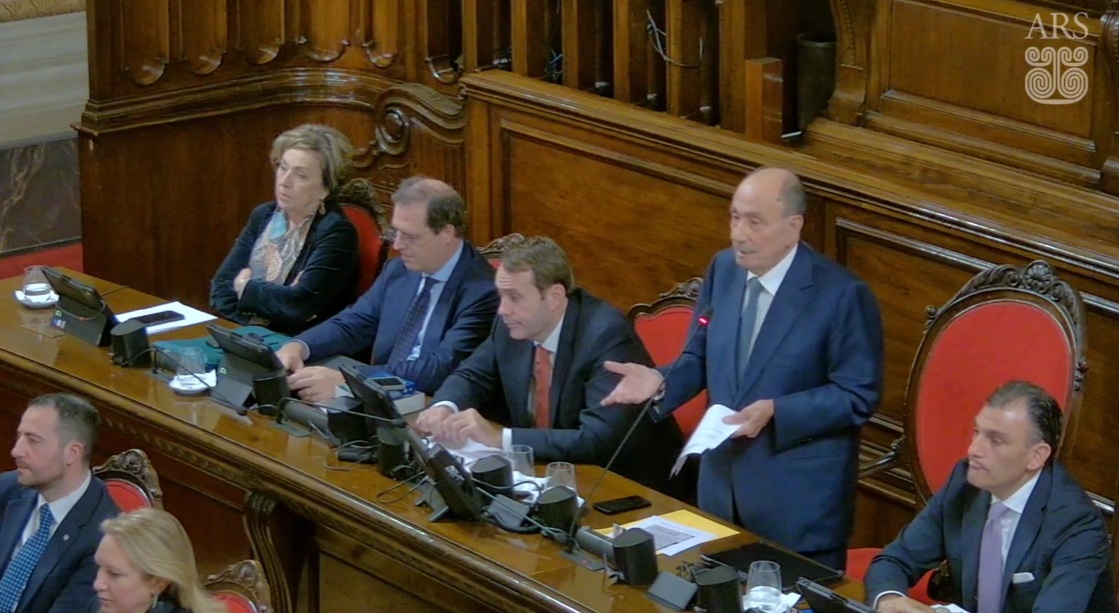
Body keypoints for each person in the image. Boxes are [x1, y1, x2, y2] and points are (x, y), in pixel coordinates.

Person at [601, 167, 884, 569]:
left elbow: (857, 395)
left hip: (795, 508)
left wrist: (777, 411)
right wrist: (661, 380)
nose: (739, 234)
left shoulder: (841, 295)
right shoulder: (724, 269)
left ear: (793, 227)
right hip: (720, 495)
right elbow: (699, 356)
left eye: (754, 222)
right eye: (735, 218)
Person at [416, 236, 684, 492]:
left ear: (554, 296)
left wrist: (501, 438)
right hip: (548, 473)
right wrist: (445, 407)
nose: (502, 309)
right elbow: (473, 374)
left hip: (627, 486)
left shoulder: (605, 335)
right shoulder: (513, 325)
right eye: (501, 296)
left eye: (515, 297)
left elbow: (597, 440)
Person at [865, 381, 1115, 613]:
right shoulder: (964, 484)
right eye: (977, 432)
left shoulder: (1076, 525)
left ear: (1036, 456)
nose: (973, 449)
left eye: (995, 441)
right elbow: (894, 561)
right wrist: (890, 601)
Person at [275, 175, 499, 398]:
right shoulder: (398, 270)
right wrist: (300, 346)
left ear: (447, 233)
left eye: (410, 237)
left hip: (432, 405)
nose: (398, 245)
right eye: (396, 232)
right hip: (380, 396)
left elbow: (439, 369)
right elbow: (355, 323)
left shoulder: (483, 292)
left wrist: (349, 381)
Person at [211, 123, 366, 335]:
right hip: (246, 336)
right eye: (283, 168)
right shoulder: (263, 215)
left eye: (300, 175)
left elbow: (299, 307)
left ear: (326, 188)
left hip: (301, 346)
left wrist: (244, 286)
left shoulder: (337, 233)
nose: (284, 182)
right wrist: (272, 305)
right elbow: (220, 290)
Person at [0, 394, 119, 613]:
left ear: (72, 453)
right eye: (19, 436)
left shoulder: (103, 536)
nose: (16, 450)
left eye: (33, 440)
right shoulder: (7, 489)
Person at [89, 508, 225, 613]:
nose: (97, 584)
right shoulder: (98, 607)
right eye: (98, 567)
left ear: (158, 583)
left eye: (114, 574)